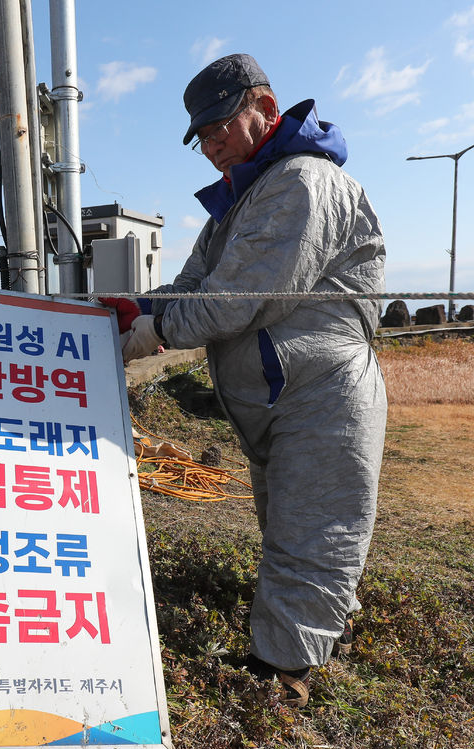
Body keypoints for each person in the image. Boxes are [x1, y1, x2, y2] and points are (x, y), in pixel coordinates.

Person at [112, 54, 387, 708]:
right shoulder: (242, 198)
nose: (211, 145)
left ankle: (280, 678)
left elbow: (236, 299)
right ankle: (321, 635)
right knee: (290, 528)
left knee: (310, 535)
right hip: (275, 399)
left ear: (265, 107)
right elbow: (193, 285)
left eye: (220, 127)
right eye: (202, 136)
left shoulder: (301, 183)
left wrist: (151, 331)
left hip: (319, 396)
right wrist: (132, 307)